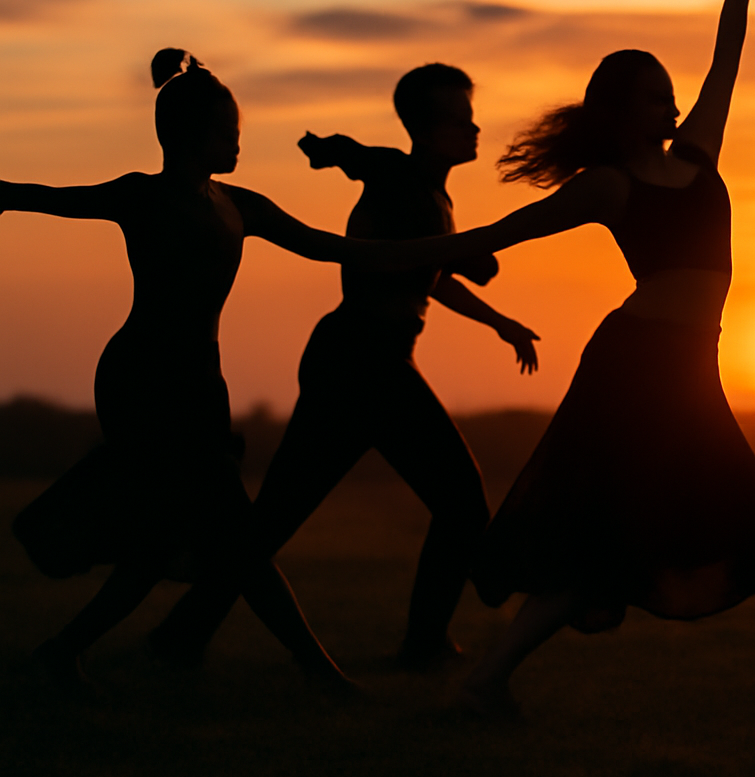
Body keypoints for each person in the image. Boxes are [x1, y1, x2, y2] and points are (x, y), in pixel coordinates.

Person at [344, 0, 755, 720]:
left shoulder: (698, 157)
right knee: (752, 529)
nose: (674, 101)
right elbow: (493, 238)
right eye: (657, 94)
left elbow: (731, 39)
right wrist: (381, 253)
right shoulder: (609, 185)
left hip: (686, 370)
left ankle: (486, 682)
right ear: (626, 107)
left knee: (630, 543)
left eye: (674, 91)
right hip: (638, 370)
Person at [147, 64, 539, 671]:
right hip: (363, 362)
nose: (474, 128)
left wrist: (497, 320)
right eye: (460, 119)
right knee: (459, 499)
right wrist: (336, 152)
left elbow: (426, 273)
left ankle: (180, 635)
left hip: (366, 361)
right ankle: (426, 643)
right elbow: (371, 163)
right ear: (426, 129)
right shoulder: (397, 173)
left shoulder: (434, 194)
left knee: (277, 516)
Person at [4, 51, 364, 694]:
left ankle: (59, 652)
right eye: (228, 130)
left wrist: (458, 248)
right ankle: (319, 671)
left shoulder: (241, 205)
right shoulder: (141, 196)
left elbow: (336, 248)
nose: (237, 140)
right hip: (142, 380)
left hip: (201, 382)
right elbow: (34, 197)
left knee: (157, 537)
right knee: (236, 532)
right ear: (191, 133)